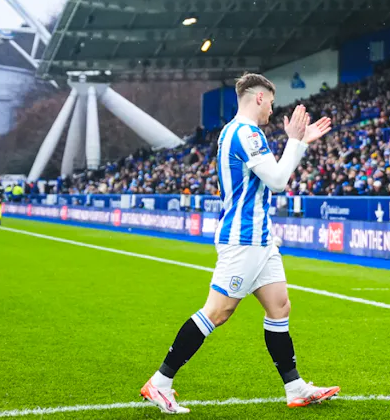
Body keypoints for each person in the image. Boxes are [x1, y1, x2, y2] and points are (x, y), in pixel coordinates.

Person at [140, 74, 339, 414]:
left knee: (279, 307)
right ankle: (160, 382)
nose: (272, 110)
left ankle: (295, 388)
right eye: (271, 103)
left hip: (260, 239)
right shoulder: (247, 133)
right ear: (258, 98)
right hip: (243, 238)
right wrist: (295, 141)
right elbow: (277, 181)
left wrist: (300, 143)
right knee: (218, 312)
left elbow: (274, 176)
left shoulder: (234, 132)